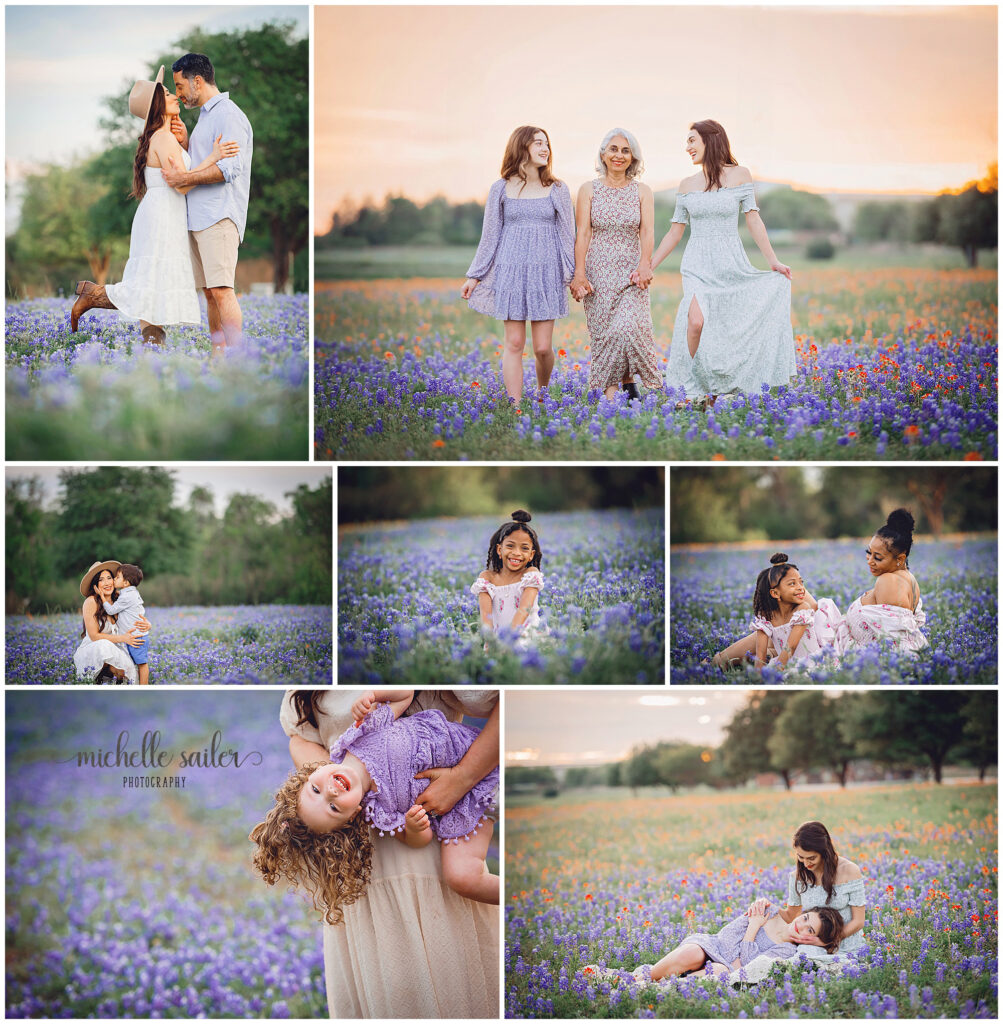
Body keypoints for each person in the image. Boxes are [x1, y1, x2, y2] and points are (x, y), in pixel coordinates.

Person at [269, 689, 499, 1018]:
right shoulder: (375, 807)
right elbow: (299, 738)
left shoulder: (358, 736)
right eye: (331, 806)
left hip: (433, 858)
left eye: (317, 790)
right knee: (390, 991)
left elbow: (404, 695)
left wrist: (374, 696)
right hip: (364, 874)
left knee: (448, 985)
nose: (329, 791)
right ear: (350, 819)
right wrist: (410, 825)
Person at [70, 67, 240, 344]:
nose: (175, 96)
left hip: (163, 211)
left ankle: (151, 346)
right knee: (152, 280)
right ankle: (94, 295)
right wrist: (214, 157)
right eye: (168, 93)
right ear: (158, 105)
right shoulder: (162, 138)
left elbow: (182, 175)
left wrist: (185, 142)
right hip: (163, 214)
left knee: (154, 281)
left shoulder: (163, 137)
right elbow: (183, 184)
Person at [650, 120, 795, 406]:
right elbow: (675, 232)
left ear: (711, 139)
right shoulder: (687, 184)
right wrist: (649, 266)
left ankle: (717, 391)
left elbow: (753, 220)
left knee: (724, 330)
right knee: (696, 322)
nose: (687, 147)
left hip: (731, 262)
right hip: (697, 264)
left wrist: (773, 260)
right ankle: (693, 389)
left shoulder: (740, 175)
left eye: (692, 140)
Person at [462, 126, 576, 404]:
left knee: (542, 347)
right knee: (514, 343)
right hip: (510, 272)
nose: (545, 148)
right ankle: (515, 406)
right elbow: (490, 236)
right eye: (538, 143)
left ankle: (542, 393)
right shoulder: (500, 188)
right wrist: (474, 276)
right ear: (521, 146)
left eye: (546, 143)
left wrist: (572, 275)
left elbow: (567, 236)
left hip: (546, 273)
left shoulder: (557, 189)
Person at [162, 53, 253, 354]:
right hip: (199, 216)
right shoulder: (205, 117)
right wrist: (187, 144)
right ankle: (219, 357)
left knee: (222, 290)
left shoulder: (228, 115)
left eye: (180, 86)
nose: (178, 93)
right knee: (211, 293)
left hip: (219, 215)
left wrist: (184, 178)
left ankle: (237, 361)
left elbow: (229, 169)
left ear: (197, 81)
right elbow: (205, 163)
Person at [571, 128, 662, 401]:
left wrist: (645, 264)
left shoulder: (642, 191)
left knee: (629, 328)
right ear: (603, 154)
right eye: (613, 149)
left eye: (625, 150)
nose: (618, 155)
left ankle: (642, 386)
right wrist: (579, 274)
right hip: (598, 274)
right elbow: (583, 233)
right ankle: (613, 400)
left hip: (632, 273)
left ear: (633, 157)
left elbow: (647, 231)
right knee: (605, 335)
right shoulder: (588, 190)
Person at [615, 904, 842, 984]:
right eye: (805, 918)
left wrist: (753, 927)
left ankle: (659, 988)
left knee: (719, 970)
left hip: (724, 967)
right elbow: (727, 935)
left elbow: (751, 964)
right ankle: (641, 978)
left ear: (816, 941)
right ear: (802, 913)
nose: (801, 926)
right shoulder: (769, 910)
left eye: (810, 930)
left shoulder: (788, 950)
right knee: (693, 953)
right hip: (713, 946)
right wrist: (738, 958)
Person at [745, 820, 866, 960]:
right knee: (800, 957)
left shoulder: (849, 871)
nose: (806, 863)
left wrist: (827, 942)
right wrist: (766, 904)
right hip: (810, 944)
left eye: (812, 858)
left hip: (844, 942)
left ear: (824, 852)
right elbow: (791, 916)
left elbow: (858, 921)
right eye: (801, 857)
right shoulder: (798, 877)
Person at [712, 553, 841, 672]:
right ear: (774, 593)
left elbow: (790, 648)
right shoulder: (767, 616)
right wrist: (758, 675)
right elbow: (760, 655)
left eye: (801, 582)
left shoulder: (803, 609)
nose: (801, 588)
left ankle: (724, 660)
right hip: (787, 660)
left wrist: (776, 672)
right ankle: (720, 661)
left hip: (807, 662)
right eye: (792, 583)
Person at [833, 508, 928, 656]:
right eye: (869, 553)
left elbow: (893, 644)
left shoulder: (888, 580)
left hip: (860, 659)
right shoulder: (910, 579)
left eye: (877, 557)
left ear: (900, 559)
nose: (870, 561)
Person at [470, 509, 546, 647]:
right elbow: (486, 616)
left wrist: (511, 637)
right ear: (499, 550)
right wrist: (490, 641)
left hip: (527, 634)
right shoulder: (487, 577)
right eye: (510, 546)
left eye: (524, 548)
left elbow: (524, 609)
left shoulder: (530, 574)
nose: (516, 553)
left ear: (531, 554)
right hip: (498, 637)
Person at [72, 561, 150, 684]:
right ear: (95, 585)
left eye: (109, 578)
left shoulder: (120, 598)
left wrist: (147, 625)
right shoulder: (91, 601)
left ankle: (109, 682)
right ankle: (98, 679)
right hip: (95, 649)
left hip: (117, 647)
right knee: (104, 646)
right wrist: (123, 638)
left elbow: (135, 613)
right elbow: (94, 636)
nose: (107, 583)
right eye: (101, 580)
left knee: (127, 671)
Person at [102, 563, 150, 686]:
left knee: (142, 664)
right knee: (134, 663)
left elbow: (111, 610)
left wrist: (102, 598)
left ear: (126, 583)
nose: (114, 579)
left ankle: (144, 688)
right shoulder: (129, 593)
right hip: (133, 636)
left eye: (117, 577)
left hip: (136, 637)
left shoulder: (127, 596)